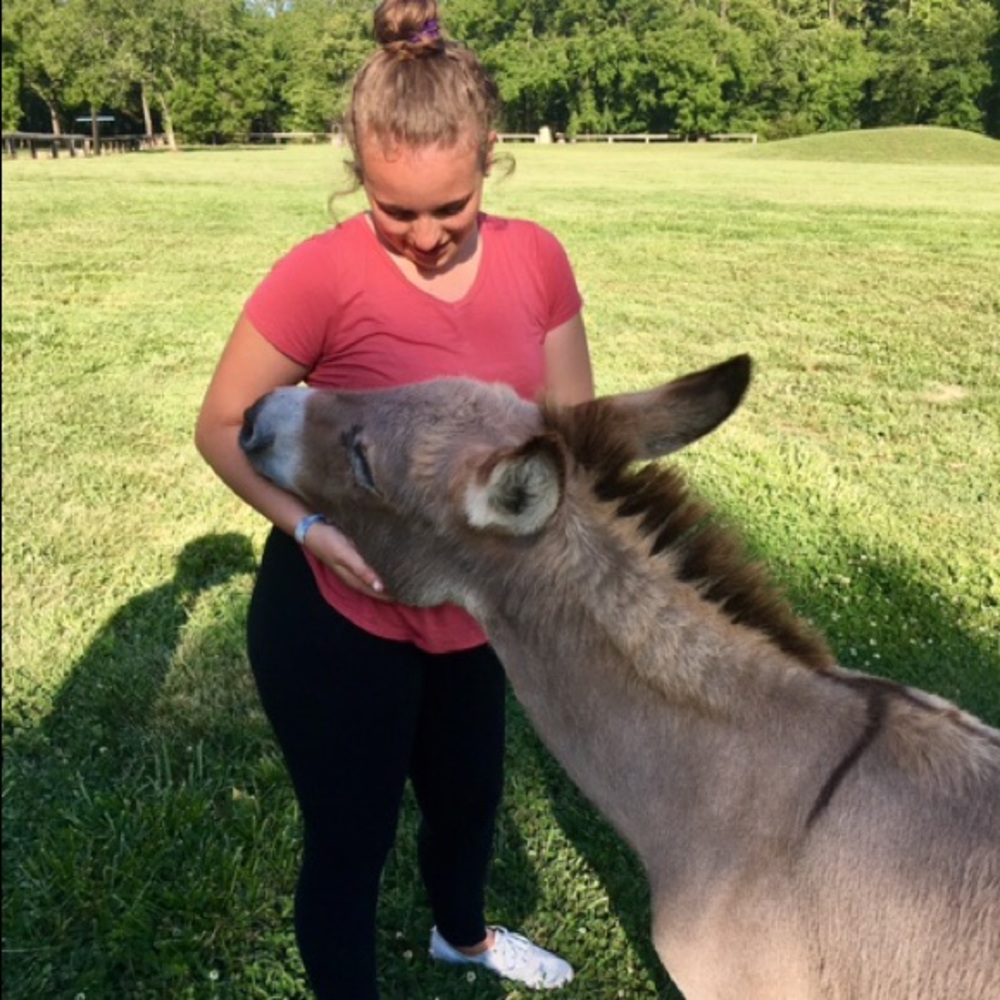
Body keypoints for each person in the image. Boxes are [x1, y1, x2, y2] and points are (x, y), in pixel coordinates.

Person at [195, 0, 594, 995]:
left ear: (488, 163)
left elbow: (569, 436)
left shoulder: (537, 260)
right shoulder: (318, 277)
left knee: (468, 804)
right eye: (393, 209)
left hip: (471, 613)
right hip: (336, 617)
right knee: (351, 837)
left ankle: (460, 937)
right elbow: (219, 423)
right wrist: (312, 528)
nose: (422, 236)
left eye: (449, 209)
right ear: (357, 178)